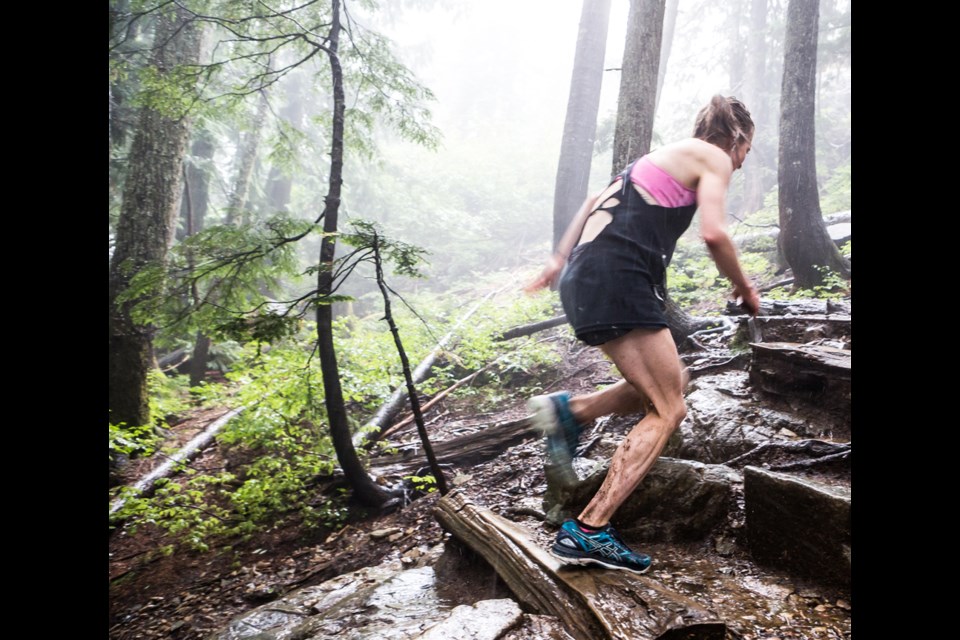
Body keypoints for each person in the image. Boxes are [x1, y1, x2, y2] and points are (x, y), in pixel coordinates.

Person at [524, 95, 760, 574]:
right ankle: (589, 531)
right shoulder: (712, 155)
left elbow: (592, 202)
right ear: (736, 137)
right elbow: (713, 234)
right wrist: (743, 284)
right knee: (669, 408)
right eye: (745, 150)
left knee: (678, 380)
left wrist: (557, 262)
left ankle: (571, 412)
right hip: (620, 276)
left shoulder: (649, 162)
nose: (740, 161)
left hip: (586, 278)